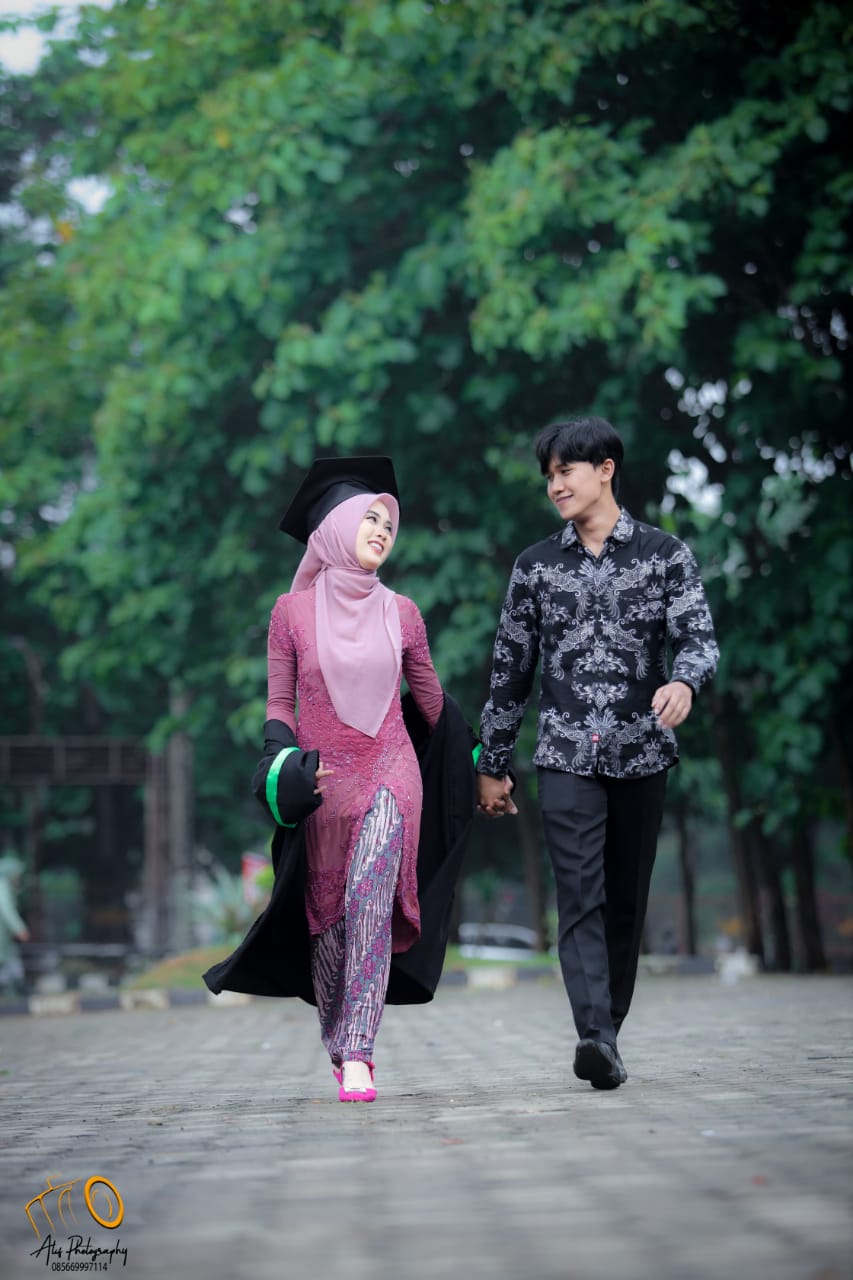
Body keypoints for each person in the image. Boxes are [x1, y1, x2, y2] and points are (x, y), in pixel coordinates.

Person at [204, 457, 476, 1103]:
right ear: (334, 526)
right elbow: (280, 703)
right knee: (327, 921)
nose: (382, 530)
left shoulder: (403, 612)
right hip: (324, 784)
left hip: (390, 770)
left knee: (369, 897)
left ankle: (359, 1050)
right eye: (369, 519)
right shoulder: (290, 613)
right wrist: (281, 760)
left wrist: (483, 765)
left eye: (389, 523)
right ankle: (338, 1034)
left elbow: (432, 704)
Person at [476, 417, 719, 1090]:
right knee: (579, 895)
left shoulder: (665, 555)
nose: (555, 485)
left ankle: (606, 1030)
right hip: (563, 756)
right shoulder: (534, 567)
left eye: (566, 471)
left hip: (642, 752)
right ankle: (594, 1035)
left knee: (625, 902)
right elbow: (509, 672)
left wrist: (683, 682)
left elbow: (698, 639)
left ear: (605, 469)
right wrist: (492, 764)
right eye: (549, 476)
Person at [0, 853, 29, 997]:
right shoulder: (2, 886)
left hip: (5, 937)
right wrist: (19, 929)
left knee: (10, 959)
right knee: (7, 959)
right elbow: (6, 910)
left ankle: (16, 985)